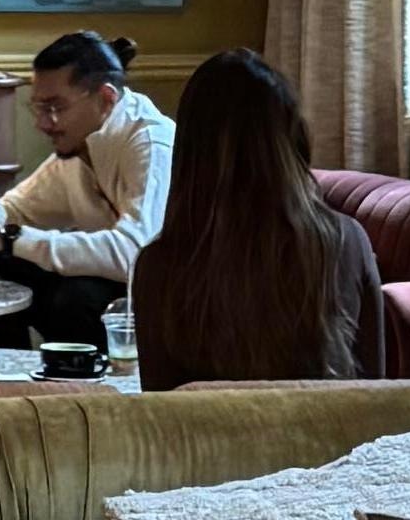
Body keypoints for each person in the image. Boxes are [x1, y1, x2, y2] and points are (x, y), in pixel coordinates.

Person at [128, 48, 391, 389]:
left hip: (212, 427)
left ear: (190, 151)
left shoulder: (159, 267)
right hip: (327, 425)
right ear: (292, 140)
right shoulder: (345, 241)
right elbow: (374, 393)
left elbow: (162, 408)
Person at [0, 28, 173, 343]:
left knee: (74, 300)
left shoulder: (151, 143)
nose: (42, 123)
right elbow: (16, 208)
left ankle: (83, 376)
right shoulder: (82, 145)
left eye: (55, 108)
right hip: (115, 279)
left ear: (106, 99)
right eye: (39, 108)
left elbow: (136, 255)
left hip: (164, 294)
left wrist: (8, 239)